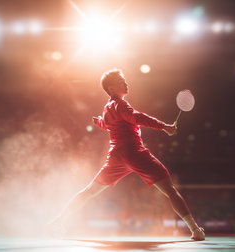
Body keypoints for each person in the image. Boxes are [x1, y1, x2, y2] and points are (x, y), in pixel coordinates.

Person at [48, 69, 205, 240]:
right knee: (170, 191)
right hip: (134, 152)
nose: (126, 83)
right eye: (121, 81)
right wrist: (164, 126)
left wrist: (99, 121)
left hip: (116, 157)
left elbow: (107, 123)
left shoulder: (107, 107)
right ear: (111, 88)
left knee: (89, 191)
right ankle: (195, 230)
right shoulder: (121, 104)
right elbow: (135, 117)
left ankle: (58, 221)